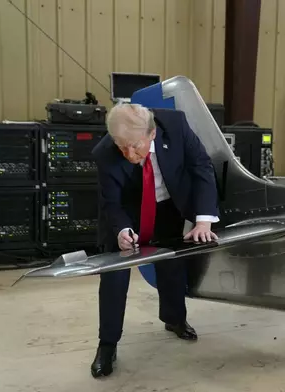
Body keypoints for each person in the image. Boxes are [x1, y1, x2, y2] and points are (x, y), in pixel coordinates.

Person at [89, 103, 219, 378]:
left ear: (152, 134)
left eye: (134, 146)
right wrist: (122, 231)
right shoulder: (104, 153)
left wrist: (204, 220)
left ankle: (175, 320)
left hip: (167, 205)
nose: (128, 154)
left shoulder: (175, 126)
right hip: (127, 212)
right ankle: (107, 345)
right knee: (114, 277)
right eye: (120, 146)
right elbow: (111, 203)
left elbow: (201, 167)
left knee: (171, 266)